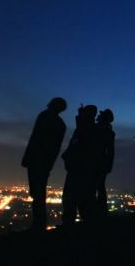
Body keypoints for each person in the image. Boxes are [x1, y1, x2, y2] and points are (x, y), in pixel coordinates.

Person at [21, 97, 67, 231]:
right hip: (42, 162)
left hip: (38, 160)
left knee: (37, 193)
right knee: (37, 192)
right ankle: (39, 223)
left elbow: (35, 138)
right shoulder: (60, 124)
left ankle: (38, 223)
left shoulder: (46, 117)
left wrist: (27, 157)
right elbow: (53, 147)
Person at [61, 104, 98, 226]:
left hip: (78, 170)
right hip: (82, 170)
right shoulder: (89, 129)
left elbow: (76, 147)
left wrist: (68, 157)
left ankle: (70, 227)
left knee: (72, 199)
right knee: (82, 201)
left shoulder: (85, 130)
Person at [95, 109, 115, 217]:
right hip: (101, 164)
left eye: (101, 115)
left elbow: (110, 152)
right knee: (100, 187)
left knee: (97, 187)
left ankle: (98, 213)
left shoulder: (100, 130)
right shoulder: (108, 132)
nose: (98, 116)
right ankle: (101, 212)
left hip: (97, 164)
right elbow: (111, 152)